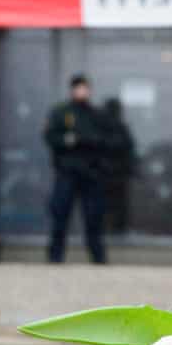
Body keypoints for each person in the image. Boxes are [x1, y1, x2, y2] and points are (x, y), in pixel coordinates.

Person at [43, 75, 117, 264]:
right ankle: (55, 256)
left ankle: (98, 257)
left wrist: (90, 142)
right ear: (72, 90)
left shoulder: (96, 114)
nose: (82, 91)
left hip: (91, 173)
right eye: (78, 88)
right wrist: (73, 140)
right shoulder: (61, 112)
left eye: (85, 88)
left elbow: (110, 140)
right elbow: (51, 137)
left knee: (94, 216)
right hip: (67, 172)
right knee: (60, 214)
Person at [100, 97, 137, 234]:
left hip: (115, 174)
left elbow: (129, 149)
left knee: (116, 205)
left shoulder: (119, 128)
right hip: (108, 174)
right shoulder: (114, 128)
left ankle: (117, 229)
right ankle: (115, 229)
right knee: (111, 205)